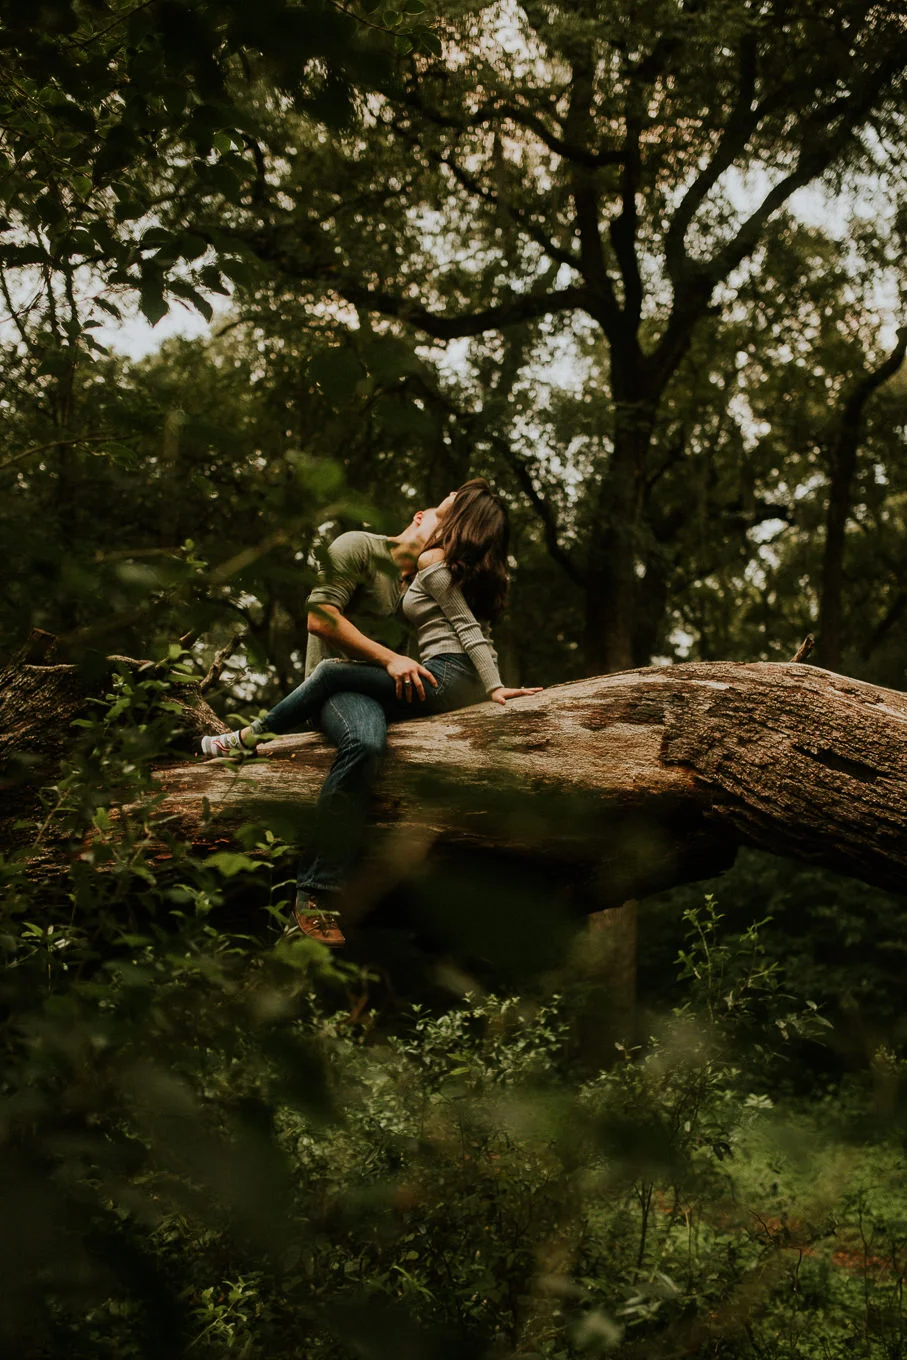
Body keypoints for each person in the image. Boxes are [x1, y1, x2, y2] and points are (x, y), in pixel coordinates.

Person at [201, 480, 540, 945]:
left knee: (380, 750)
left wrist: (492, 689)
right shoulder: (356, 547)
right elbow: (320, 619)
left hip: (390, 694)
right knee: (362, 740)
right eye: (445, 514)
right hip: (336, 691)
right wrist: (389, 658)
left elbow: (467, 631)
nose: (452, 526)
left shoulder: (426, 581)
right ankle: (314, 894)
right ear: (421, 517)